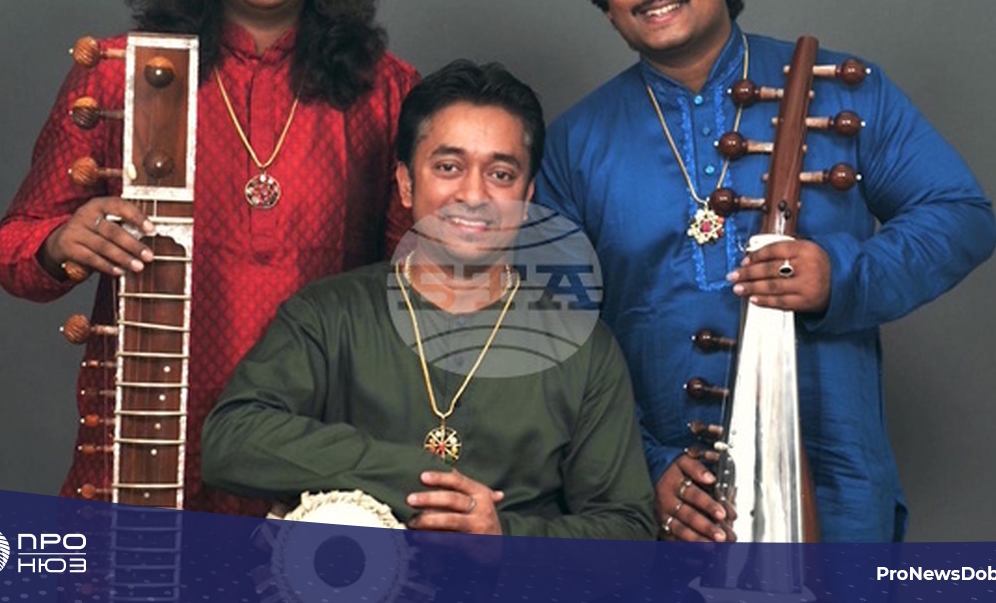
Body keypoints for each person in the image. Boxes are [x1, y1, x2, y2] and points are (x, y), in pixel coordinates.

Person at [536, 0, 996, 542]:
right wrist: (644, 467)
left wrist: (841, 277)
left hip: (834, 486)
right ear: (608, 6)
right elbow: (560, 335)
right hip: (677, 508)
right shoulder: (575, 144)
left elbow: (961, 216)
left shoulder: (846, 91)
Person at [0, 0, 416, 515]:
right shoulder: (122, 72)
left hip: (311, 452)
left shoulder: (385, 91)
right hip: (150, 439)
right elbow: (13, 251)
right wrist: (59, 243)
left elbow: (414, 287)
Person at [201, 60, 655, 540]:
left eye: (501, 174)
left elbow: (628, 529)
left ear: (526, 198)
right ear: (405, 183)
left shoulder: (585, 349)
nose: (474, 194)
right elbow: (231, 440)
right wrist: (410, 475)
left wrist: (503, 536)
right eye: (448, 167)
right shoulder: (328, 313)